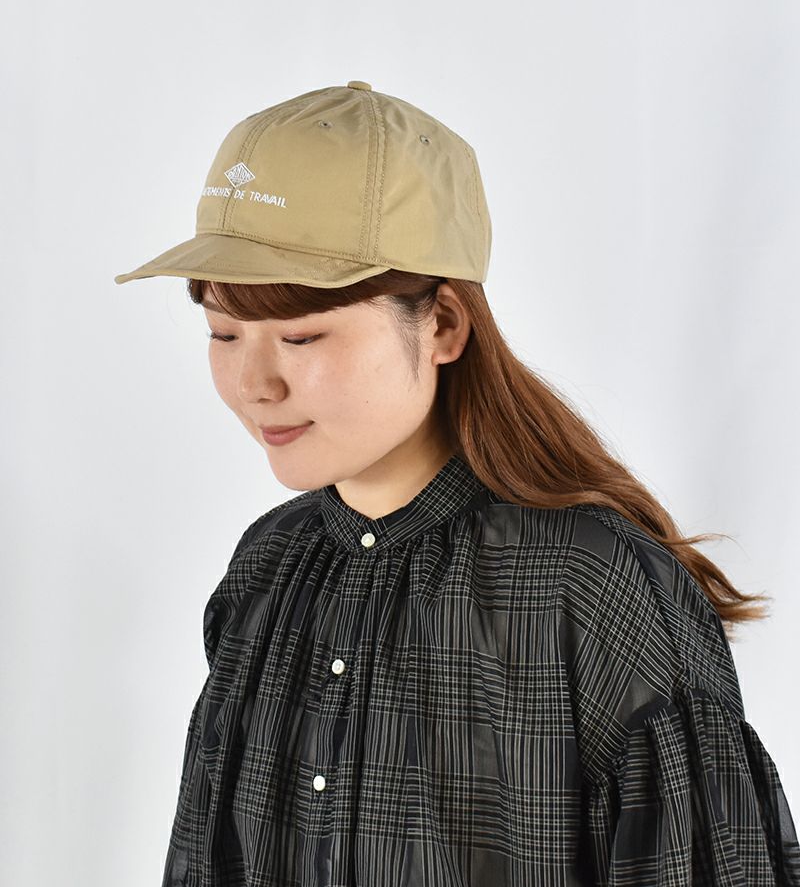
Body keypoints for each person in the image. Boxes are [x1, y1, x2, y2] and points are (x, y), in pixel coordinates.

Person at [114, 80, 800, 887]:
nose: (254, 384)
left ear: (442, 324)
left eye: (301, 336)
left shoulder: (591, 587)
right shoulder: (266, 570)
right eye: (224, 333)